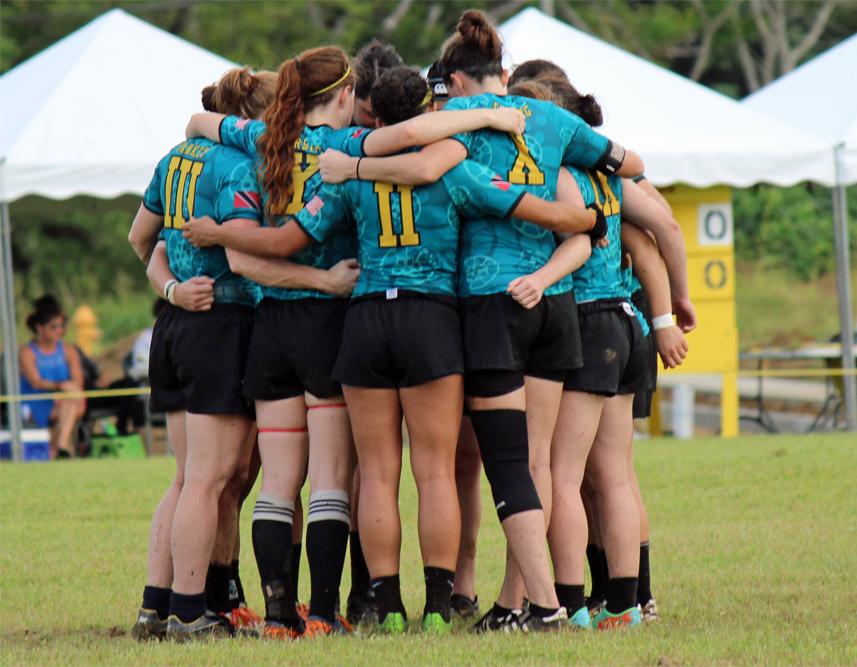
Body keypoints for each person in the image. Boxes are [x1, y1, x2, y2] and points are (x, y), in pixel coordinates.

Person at [181, 66, 602, 635]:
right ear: (428, 111)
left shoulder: (345, 174)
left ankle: (383, 601)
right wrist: (589, 221)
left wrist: (221, 233)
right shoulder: (454, 168)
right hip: (430, 320)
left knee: (376, 472)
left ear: (373, 113)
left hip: (365, 317)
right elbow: (534, 209)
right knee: (434, 473)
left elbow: (290, 239)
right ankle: (436, 606)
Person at [318, 9, 644, 632]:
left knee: (499, 469)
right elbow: (625, 165)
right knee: (546, 465)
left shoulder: (451, 133)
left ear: (459, 83)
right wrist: (586, 210)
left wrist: (354, 167)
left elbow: (411, 164)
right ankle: (530, 602)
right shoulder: (551, 120)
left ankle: (536, 608)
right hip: (555, 299)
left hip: (490, 304)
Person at [508, 61, 696, 628]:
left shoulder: (554, 172)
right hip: (626, 320)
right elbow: (654, 232)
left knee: (564, 475)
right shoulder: (608, 174)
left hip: (587, 320)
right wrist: (668, 310)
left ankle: (573, 603)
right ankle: (629, 601)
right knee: (615, 474)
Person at [126, 66, 278, 641]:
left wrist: (170, 287)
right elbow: (240, 255)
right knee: (209, 481)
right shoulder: (240, 164)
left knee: (187, 476)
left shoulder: (176, 157)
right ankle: (191, 613)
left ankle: (155, 607)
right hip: (222, 322)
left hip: (174, 324)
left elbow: (141, 238)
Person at [18, 295, 85, 459]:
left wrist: (70, 389)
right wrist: (61, 386)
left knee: (71, 402)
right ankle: (59, 446)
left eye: (62, 326)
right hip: (36, 401)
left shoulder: (69, 350)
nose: (59, 330)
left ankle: (57, 448)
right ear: (39, 328)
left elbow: (77, 380)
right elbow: (36, 382)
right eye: (54, 326)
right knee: (70, 404)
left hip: (64, 400)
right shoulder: (27, 352)